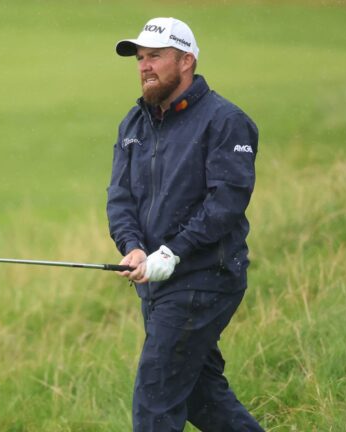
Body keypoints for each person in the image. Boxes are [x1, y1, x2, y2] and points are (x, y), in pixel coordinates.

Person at [106, 17, 265, 432]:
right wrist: (132, 246)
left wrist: (173, 251)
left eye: (155, 56)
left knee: (155, 398)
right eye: (140, 58)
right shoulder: (134, 124)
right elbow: (120, 198)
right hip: (157, 283)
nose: (145, 66)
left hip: (206, 277)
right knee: (200, 396)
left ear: (186, 61)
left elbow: (226, 202)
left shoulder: (225, 120)